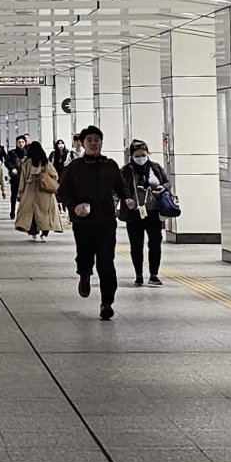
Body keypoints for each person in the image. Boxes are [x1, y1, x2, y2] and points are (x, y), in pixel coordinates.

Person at [57, 126, 131, 319]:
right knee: (85, 255)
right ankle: (84, 274)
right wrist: (74, 206)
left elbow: (121, 187)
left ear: (101, 142)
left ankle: (107, 303)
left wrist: (127, 198)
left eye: (96, 140)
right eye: (89, 140)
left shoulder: (110, 165)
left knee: (106, 262)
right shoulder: (74, 167)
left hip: (106, 221)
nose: (93, 143)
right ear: (82, 143)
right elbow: (62, 191)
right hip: (83, 222)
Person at [122, 139, 171, 286]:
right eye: (137, 155)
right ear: (131, 156)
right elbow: (118, 188)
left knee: (155, 243)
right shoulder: (126, 171)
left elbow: (167, 182)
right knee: (136, 245)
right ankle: (139, 274)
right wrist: (126, 199)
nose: (141, 158)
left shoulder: (155, 168)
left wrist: (163, 188)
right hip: (134, 213)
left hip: (153, 212)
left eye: (143, 155)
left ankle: (154, 274)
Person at [13, 140, 61, 238]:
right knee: (45, 212)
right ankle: (45, 233)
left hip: (30, 190)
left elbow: (23, 179)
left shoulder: (27, 163)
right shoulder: (46, 162)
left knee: (32, 212)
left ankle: (33, 231)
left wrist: (20, 192)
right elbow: (55, 175)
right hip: (45, 191)